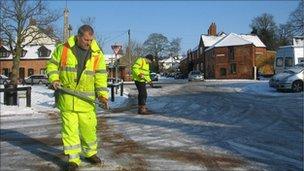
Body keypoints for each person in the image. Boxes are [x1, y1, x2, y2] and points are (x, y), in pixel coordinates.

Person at [46, 25, 108, 171]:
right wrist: (54, 79)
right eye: (86, 39)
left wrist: (103, 95)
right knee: (69, 131)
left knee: (89, 130)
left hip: (86, 101)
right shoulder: (64, 49)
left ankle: (90, 153)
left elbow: (100, 76)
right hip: (67, 99)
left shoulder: (97, 54)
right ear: (78, 36)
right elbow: (52, 66)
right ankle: (73, 160)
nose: (88, 43)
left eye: (91, 40)